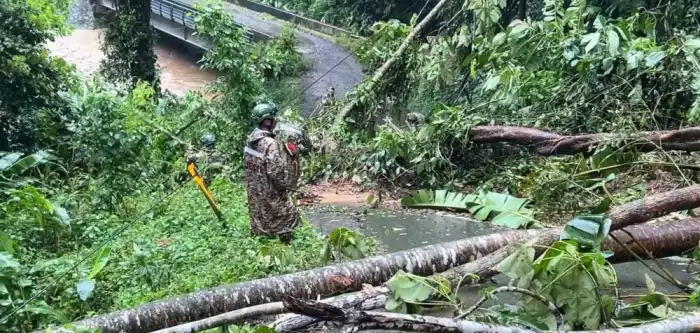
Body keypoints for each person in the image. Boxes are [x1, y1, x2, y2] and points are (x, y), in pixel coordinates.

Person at [244, 103, 300, 244]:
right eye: (273, 119)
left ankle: (260, 243)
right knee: (290, 214)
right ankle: (286, 245)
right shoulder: (269, 143)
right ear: (268, 121)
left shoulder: (250, 141)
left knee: (259, 220)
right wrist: (287, 185)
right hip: (269, 192)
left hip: (254, 192)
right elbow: (275, 171)